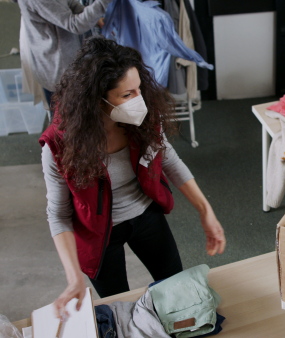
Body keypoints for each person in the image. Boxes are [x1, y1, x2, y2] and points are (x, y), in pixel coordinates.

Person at [39, 37, 226, 318]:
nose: (139, 99)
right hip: (98, 232)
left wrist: (205, 211)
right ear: (96, 99)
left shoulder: (143, 117)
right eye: (127, 95)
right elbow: (58, 214)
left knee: (175, 290)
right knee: (119, 309)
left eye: (138, 88)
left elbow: (169, 159)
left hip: (145, 214)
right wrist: (73, 277)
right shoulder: (59, 143)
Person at [18, 0, 112, 107]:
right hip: (60, 71)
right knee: (69, 119)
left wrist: (88, 14)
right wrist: (102, 4)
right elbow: (74, 25)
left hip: (61, 65)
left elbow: (67, 2)